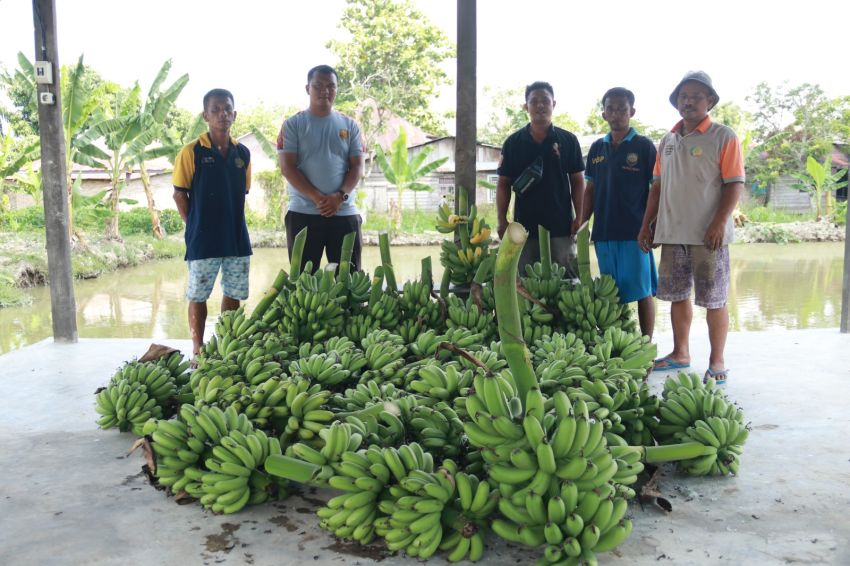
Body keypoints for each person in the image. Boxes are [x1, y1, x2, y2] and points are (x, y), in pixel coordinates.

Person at [638, 71, 744, 385]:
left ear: (709, 101)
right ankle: (680, 353)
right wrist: (647, 226)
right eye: (684, 96)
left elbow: (734, 184)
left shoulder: (724, 136)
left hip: (708, 236)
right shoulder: (667, 140)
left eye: (696, 96)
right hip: (672, 234)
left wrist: (718, 223)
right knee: (676, 296)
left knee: (714, 300)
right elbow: (656, 188)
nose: (689, 101)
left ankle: (717, 361)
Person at [172, 88, 252, 361]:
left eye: (227, 109)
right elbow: (179, 193)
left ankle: (228, 344)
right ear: (206, 115)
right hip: (203, 239)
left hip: (236, 236)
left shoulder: (244, 153)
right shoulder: (191, 152)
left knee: (233, 293)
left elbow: (242, 192)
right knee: (198, 294)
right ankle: (197, 348)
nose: (222, 115)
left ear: (235, 114)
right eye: (216, 110)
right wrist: (194, 225)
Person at [582, 87, 658, 338]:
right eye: (611, 109)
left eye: (622, 109)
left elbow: (656, 189)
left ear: (632, 112)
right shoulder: (596, 149)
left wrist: (650, 226)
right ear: (603, 114)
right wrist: (581, 222)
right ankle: (621, 342)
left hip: (635, 232)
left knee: (642, 290)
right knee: (611, 292)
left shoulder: (644, 146)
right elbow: (590, 189)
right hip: (604, 233)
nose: (616, 114)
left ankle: (647, 342)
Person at [278, 64, 365, 273]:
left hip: (344, 212)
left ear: (336, 89)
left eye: (330, 86)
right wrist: (317, 197)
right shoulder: (292, 125)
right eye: (318, 85)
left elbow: (357, 167)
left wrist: (339, 196)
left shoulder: (351, 126)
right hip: (303, 212)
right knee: (304, 283)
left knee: (349, 281)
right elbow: (287, 167)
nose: (325, 91)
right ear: (308, 88)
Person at [496, 81, 585, 276]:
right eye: (534, 101)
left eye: (545, 100)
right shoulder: (513, 143)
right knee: (527, 285)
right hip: (524, 229)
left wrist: (579, 216)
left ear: (554, 104)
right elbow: (503, 184)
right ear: (525, 106)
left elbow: (578, 181)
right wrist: (502, 220)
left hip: (561, 227)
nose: (540, 105)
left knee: (566, 284)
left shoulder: (568, 140)